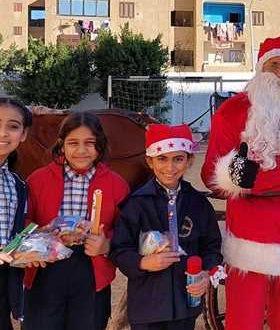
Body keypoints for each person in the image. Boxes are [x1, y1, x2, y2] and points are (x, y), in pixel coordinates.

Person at [201, 32, 280, 330]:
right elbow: (210, 175)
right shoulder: (232, 112)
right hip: (251, 235)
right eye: (274, 65)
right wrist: (233, 175)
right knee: (245, 320)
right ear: (260, 70)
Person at [22, 112, 130, 330]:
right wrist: (37, 239)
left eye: (89, 143)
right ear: (61, 145)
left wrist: (106, 243)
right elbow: (25, 219)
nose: (81, 150)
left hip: (91, 268)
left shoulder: (116, 184)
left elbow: (126, 231)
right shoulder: (38, 179)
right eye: (73, 143)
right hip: (46, 267)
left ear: (99, 145)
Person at [110, 123, 223, 330]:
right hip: (146, 307)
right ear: (150, 161)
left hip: (185, 305)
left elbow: (212, 246)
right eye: (162, 158)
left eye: (178, 159)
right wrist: (143, 263)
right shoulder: (136, 204)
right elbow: (119, 249)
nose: (170, 168)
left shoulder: (198, 204)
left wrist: (206, 273)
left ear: (189, 160)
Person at [0, 98, 32, 330]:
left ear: (23, 134)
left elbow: (15, 236)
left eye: (13, 126)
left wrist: (42, 237)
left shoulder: (17, 185)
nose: (3, 133)